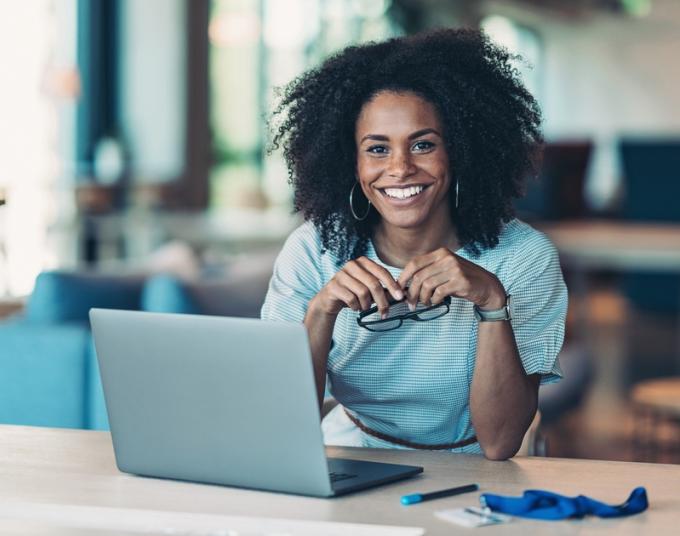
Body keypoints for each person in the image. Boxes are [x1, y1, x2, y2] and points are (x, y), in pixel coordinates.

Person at [261, 28, 567, 460]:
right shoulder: (314, 251)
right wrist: (321, 311)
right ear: (351, 161)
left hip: (476, 465)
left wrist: (492, 302)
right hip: (353, 453)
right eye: (377, 149)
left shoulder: (523, 258)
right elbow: (279, 422)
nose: (400, 168)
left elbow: (500, 442)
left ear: (460, 151)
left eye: (423, 145)